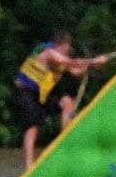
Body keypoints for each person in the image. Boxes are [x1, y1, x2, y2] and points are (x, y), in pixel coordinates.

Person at [12, 32, 109, 170]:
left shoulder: (61, 58)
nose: (68, 51)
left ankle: (65, 143)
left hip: (41, 94)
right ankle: (29, 164)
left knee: (67, 102)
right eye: (67, 48)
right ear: (61, 45)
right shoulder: (49, 53)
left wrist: (93, 65)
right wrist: (93, 60)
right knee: (33, 126)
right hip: (24, 92)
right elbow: (70, 62)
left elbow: (76, 71)